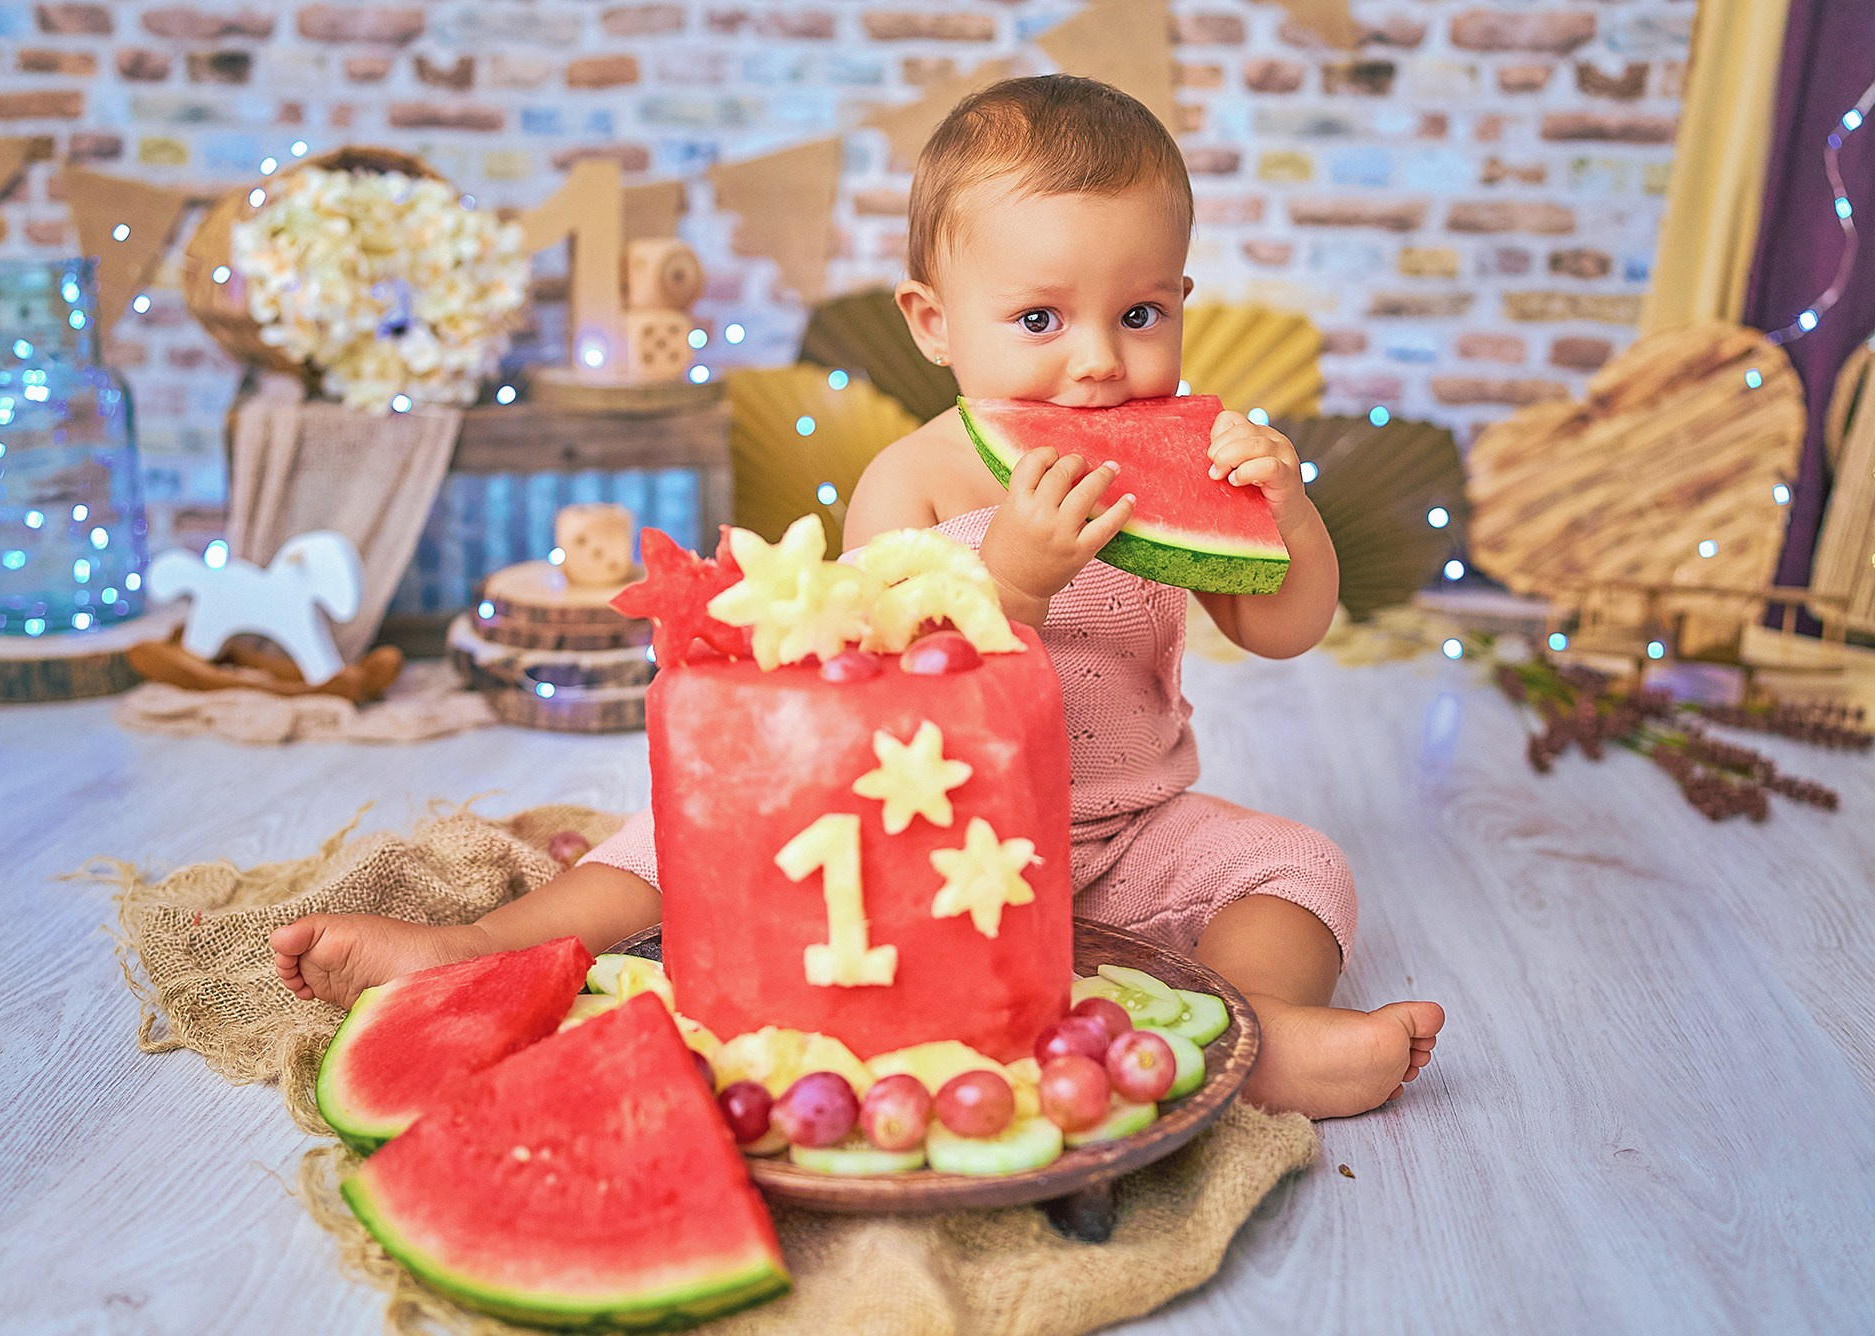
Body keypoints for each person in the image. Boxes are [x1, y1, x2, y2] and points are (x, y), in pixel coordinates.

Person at [274, 74, 1443, 1120]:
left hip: (1122, 831)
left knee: (1301, 866)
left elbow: (1282, 630)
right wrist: (1014, 578)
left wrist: (1286, 518)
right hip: (914, 838)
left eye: (1137, 315)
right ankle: (470, 946)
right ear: (932, 322)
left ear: (1178, 298)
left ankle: (1249, 1024)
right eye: (1038, 319)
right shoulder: (913, 478)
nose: (1095, 360)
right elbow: (890, 689)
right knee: (673, 845)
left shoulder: (1180, 456)